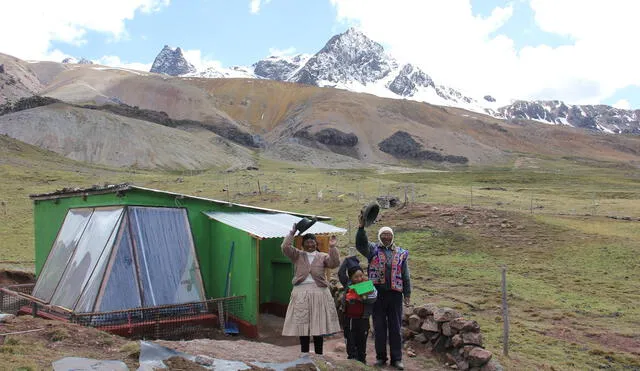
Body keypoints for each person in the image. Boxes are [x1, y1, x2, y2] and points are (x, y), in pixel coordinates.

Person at [356, 213, 411, 370]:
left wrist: (407, 293)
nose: (386, 237)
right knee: (379, 327)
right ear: (380, 236)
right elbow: (360, 245)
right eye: (384, 235)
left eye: (389, 235)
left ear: (392, 236)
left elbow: (405, 274)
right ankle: (381, 358)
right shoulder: (372, 249)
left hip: (395, 295)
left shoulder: (401, 253)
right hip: (377, 294)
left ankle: (397, 359)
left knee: (395, 327)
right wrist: (361, 228)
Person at [281, 224, 341, 357]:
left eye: (312, 241)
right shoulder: (297, 255)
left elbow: (334, 263)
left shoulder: (323, 256)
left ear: (316, 244)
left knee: (318, 325)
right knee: (303, 325)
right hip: (301, 292)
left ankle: (319, 355)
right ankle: (304, 354)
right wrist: (292, 232)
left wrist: (332, 247)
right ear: (302, 244)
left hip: (319, 292)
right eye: (307, 242)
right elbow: (285, 247)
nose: (310, 244)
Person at [338, 256, 377, 364]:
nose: (359, 279)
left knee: (362, 344)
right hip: (350, 320)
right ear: (351, 278)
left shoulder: (368, 286)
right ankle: (352, 363)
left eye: (361, 275)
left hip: (363, 320)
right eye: (356, 277)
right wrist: (346, 261)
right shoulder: (348, 285)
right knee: (351, 343)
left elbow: (373, 298)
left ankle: (362, 362)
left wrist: (360, 297)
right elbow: (341, 273)